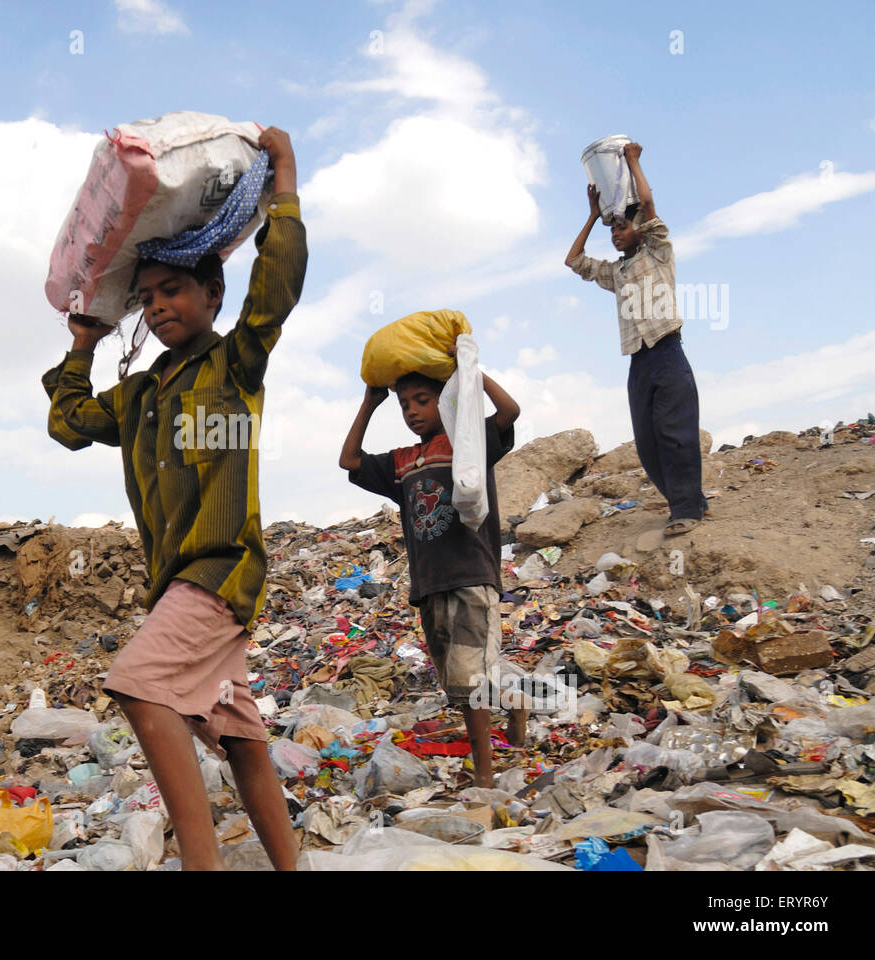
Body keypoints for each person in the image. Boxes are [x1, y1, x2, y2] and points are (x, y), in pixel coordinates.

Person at [42, 127, 305, 870]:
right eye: (148, 297)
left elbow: (276, 288)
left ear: (211, 292)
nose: (158, 307)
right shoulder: (139, 395)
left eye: (174, 291)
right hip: (177, 585)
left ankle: (202, 861)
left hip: (217, 572)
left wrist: (284, 179)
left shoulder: (234, 364)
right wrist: (85, 343)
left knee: (138, 684)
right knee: (242, 733)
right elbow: (67, 422)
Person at [338, 348, 527, 788]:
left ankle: (484, 776)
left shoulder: (469, 444)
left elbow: (510, 410)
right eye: (405, 404)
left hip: (471, 575)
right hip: (429, 584)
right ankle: (517, 703)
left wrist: (470, 372)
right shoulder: (402, 462)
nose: (411, 412)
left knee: (472, 679)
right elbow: (349, 461)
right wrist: (370, 403)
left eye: (422, 400)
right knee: (459, 685)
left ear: (445, 401)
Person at [565, 142, 707, 536]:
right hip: (638, 362)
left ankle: (686, 510)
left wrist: (632, 161)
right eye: (613, 230)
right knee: (647, 444)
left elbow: (646, 202)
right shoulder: (618, 273)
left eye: (621, 227)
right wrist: (594, 216)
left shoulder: (658, 253)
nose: (616, 235)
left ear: (639, 228)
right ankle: (689, 500)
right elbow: (573, 261)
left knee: (674, 433)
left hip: (668, 353)